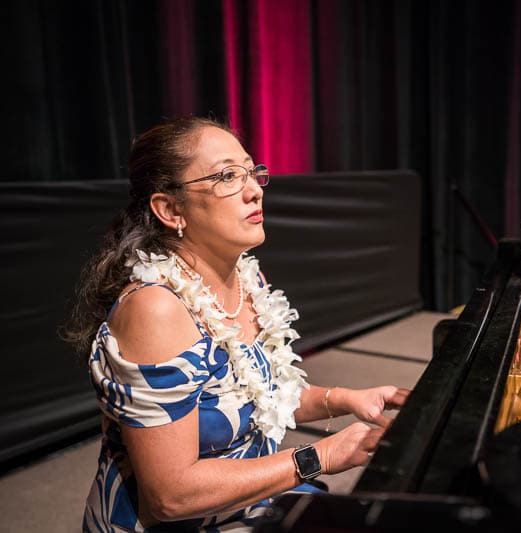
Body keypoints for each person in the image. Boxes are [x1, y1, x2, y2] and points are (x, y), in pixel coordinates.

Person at [63, 116, 410, 532]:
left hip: (246, 502)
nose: (253, 190)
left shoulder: (247, 279)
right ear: (170, 209)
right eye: (227, 176)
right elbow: (170, 497)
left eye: (251, 171)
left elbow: (260, 398)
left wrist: (346, 398)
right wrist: (318, 457)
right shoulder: (156, 309)